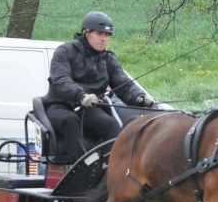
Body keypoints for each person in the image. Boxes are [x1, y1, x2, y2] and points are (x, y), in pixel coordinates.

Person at [44, 10, 154, 162]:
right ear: (85, 33)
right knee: (70, 120)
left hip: (88, 109)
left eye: (107, 35)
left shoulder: (108, 59)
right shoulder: (65, 52)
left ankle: (111, 168)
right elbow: (61, 79)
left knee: (110, 125)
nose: (104, 39)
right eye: (99, 34)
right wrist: (80, 95)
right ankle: (83, 169)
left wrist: (139, 97)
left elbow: (123, 84)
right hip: (61, 106)